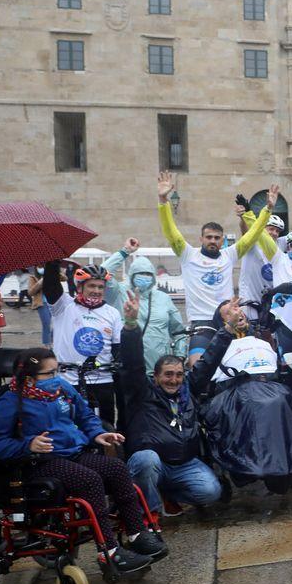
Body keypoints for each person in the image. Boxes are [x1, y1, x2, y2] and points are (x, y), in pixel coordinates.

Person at [0, 348, 166, 573]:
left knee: (116, 469)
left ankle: (137, 535)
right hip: (37, 463)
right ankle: (109, 553)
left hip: (71, 453)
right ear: (29, 377)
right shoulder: (10, 402)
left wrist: (97, 433)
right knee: (89, 480)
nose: (55, 378)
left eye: (56, 371)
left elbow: (84, 415)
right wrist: (26, 445)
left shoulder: (61, 389)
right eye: (49, 373)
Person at [119, 293, 222, 515]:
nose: (173, 380)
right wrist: (130, 325)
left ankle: (167, 493)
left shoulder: (188, 390)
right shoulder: (142, 392)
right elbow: (132, 362)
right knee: (147, 460)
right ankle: (150, 511)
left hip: (183, 464)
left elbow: (209, 361)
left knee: (211, 491)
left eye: (178, 375)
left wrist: (228, 330)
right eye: (167, 375)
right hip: (149, 462)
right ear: (155, 376)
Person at [157, 172, 274, 364]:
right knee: (196, 366)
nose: (212, 241)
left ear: (222, 240)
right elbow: (171, 232)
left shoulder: (229, 255)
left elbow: (253, 235)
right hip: (201, 323)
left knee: (238, 365)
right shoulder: (188, 255)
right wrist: (163, 201)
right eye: (208, 237)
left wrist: (267, 209)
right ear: (201, 239)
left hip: (227, 320)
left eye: (216, 238)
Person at [42, 261, 123, 426]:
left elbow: (117, 349)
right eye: (92, 286)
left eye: (101, 287)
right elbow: (50, 286)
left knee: (106, 428)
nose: (96, 291)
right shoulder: (63, 305)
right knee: (70, 427)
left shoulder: (113, 313)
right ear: (79, 287)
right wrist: (52, 261)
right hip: (69, 380)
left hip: (102, 381)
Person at [104, 240, 184, 373]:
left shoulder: (163, 298)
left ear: (153, 277)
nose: (144, 277)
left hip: (159, 371)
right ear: (132, 275)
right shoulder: (118, 292)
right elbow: (102, 272)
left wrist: (180, 356)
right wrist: (125, 251)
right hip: (128, 369)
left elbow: (179, 331)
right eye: (140, 274)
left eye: (148, 274)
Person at [235, 196, 286, 314]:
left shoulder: (278, 245)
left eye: (277, 231)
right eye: (271, 229)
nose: (274, 233)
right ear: (263, 228)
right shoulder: (253, 242)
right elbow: (246, 232)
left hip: (270, 301)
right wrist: (243, 218)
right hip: (250, 300)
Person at [26, 268, 52, 347]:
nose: (42, 267)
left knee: (56, 325)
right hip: (42, 303)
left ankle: (54, 341)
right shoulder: (33, 277)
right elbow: (30, 292)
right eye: (40, 266)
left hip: (53, 303)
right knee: (46, 324)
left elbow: (65, 278)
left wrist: (54, 271)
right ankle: (47, 345)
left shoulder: (51, 275)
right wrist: (40, 282)